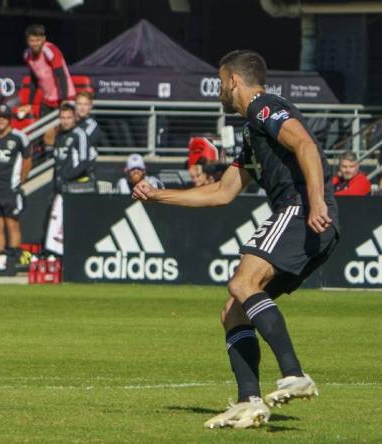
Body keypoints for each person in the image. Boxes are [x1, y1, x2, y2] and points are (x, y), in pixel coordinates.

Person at [133, 50, 340, 429]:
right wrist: (157, 195)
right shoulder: (251, 130)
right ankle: (250, 402)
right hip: (303, 215)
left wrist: (316, 202)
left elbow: (307, 145)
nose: (219, 92)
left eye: (220, 82)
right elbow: (221, 192)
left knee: (242, 282)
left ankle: (295, 374)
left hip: (300, 211)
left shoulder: (264, 107)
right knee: (233, 311)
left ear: (233, 81)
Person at [0, 104, 31, 276]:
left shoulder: (19, 137)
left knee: (12, 224)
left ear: (9, 118)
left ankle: (13, 262)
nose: (1, 120)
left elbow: (27, 161)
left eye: (4, 117)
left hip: (10, 189)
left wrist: (20, 182)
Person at [44, 103, 97, 256]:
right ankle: (57, 256)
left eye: (68, 118)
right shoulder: (60, 135)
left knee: (73, 224)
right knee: (57, 223)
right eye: (62, 118)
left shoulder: (80, 135)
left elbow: (84, 161)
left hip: (75, 187)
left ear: (74, 118)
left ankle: (75, 256)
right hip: (61, 187)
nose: (65, 121)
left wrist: (67, 177)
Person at [18, 24, 75, 119]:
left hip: (64, 98)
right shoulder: (27, 55)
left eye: (38, 40)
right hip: (47, 101)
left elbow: (61, 76)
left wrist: (64, 101)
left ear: (43, 39)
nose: (35, 44)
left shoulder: (50, 51)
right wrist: (29, 104)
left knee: (63, 132)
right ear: (27, 41)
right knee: (44, 132)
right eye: (32, 41)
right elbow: (34, 81)